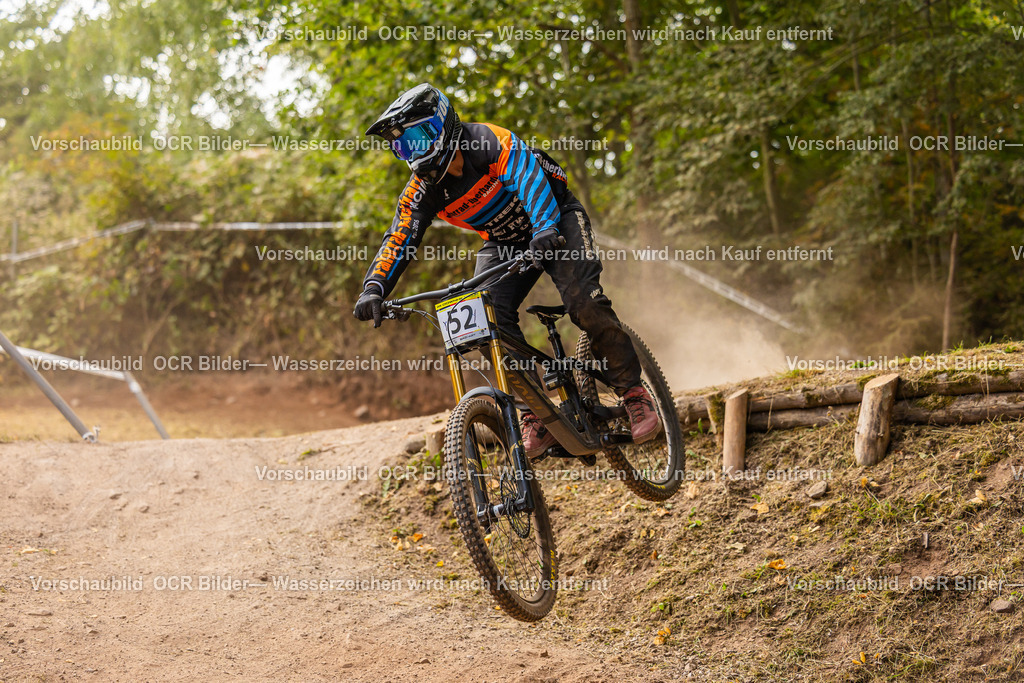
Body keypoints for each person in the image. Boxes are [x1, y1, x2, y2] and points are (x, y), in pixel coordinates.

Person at [354, 83, 661, 456]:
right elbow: (400, 237)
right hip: (504, 240)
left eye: (418, 138)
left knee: (583, 301)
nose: (414, 152)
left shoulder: (486, 142)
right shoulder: (423, 189)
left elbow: (531, 180)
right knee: (484, 322)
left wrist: (546, 227)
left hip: (555, 218)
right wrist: (374, 287)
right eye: (404, 146)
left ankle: (632, 392)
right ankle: (536, 411)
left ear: (442, 122)